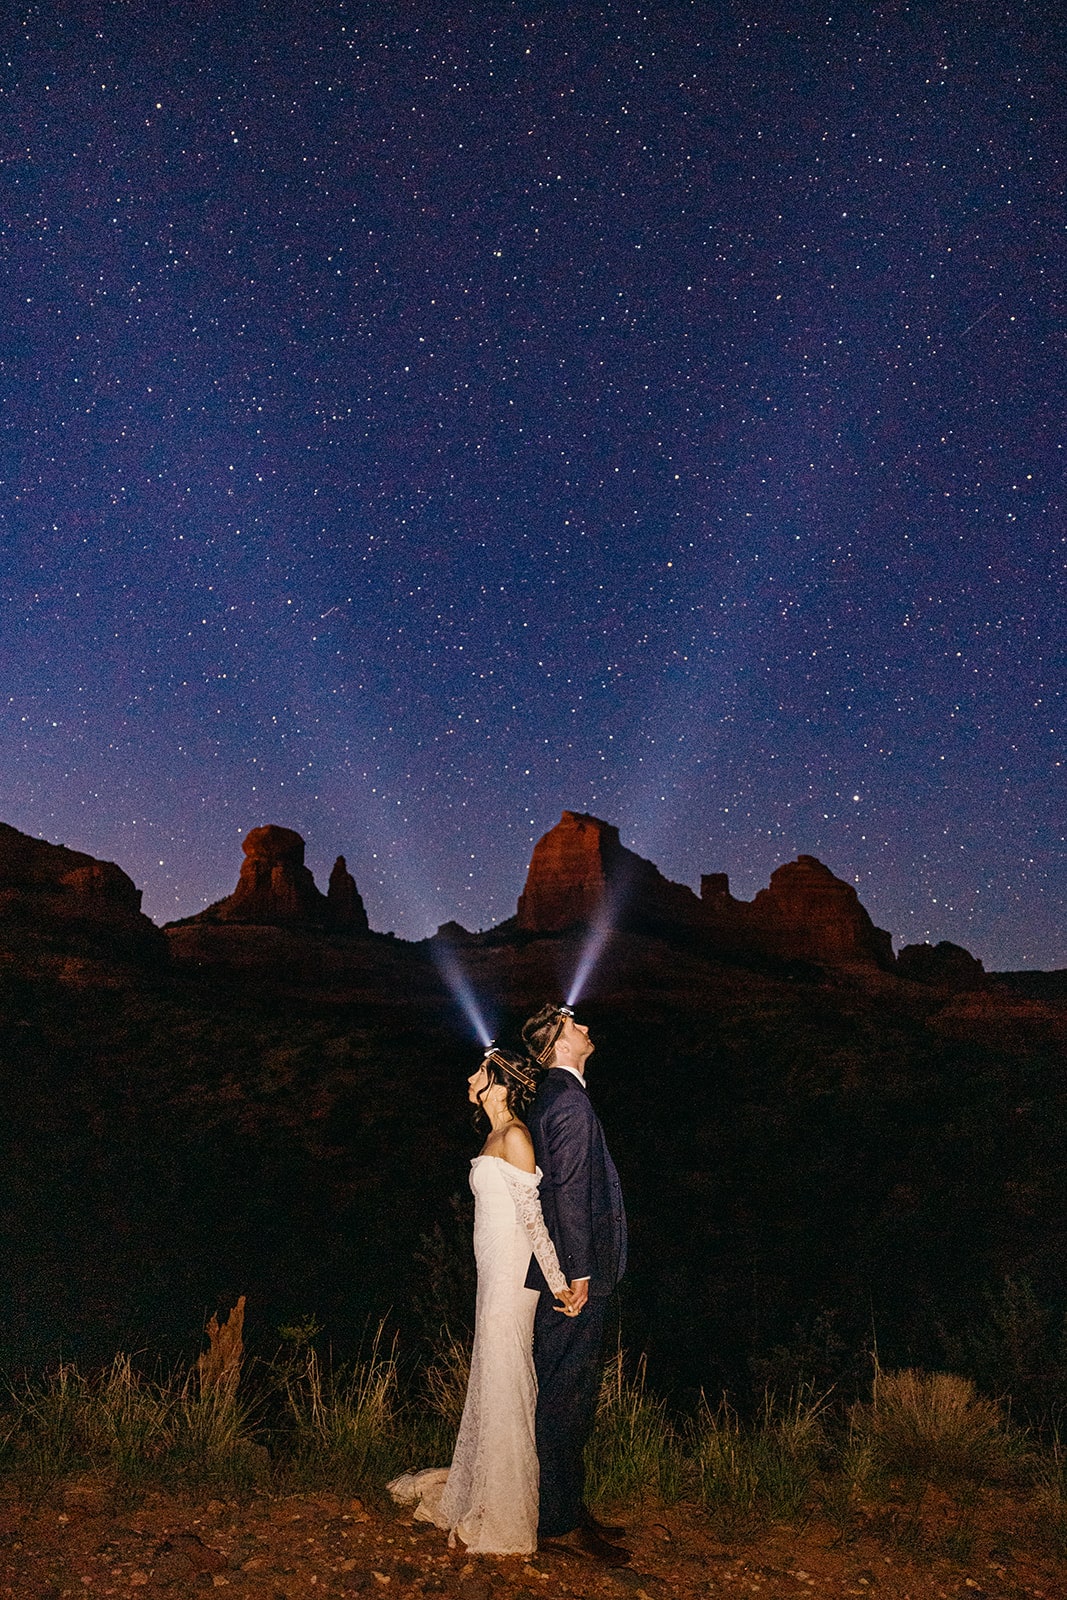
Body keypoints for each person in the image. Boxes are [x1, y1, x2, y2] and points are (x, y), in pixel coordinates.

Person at [389, 1046, 576, 1555]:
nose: (472, 1076)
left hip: (513, 1275)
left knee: (506, 1377)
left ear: (501, 1084)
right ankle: (483, 1491)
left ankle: (507, 1517)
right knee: (491, 1375)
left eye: (481, 1072)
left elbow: (534, 1220)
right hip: (491, 1270)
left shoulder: (515, 1136)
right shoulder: (493, 1134)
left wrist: (558, 1281)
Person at [520, 1002, 629, 1564]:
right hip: (573, 1283)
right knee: (567, 1395)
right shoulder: (569, 1102)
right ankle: (557, 1524)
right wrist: (579, 1274)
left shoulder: (558, 1096)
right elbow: (566, 1190)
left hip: (566, 1274)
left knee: (570, 1391)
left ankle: (566, 1506)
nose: (586, 1026)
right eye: (574, 1023)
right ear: (560, 1044)